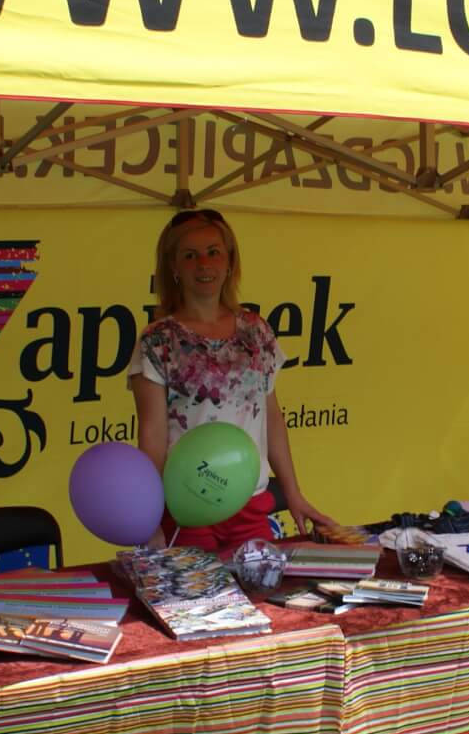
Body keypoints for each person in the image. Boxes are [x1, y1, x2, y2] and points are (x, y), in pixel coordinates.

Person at [130, 208, 341, 555]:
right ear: (173, 267)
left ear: (229, 262)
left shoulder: (256, 331)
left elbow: (272, 418)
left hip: (249, 503)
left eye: (213, 252)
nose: (204, 264)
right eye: (189, 255)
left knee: (261, 585)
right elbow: (151, 435)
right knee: (199, 591)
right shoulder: (157, 340)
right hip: (188, 506)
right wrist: (150, 517)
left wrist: (293, 494)